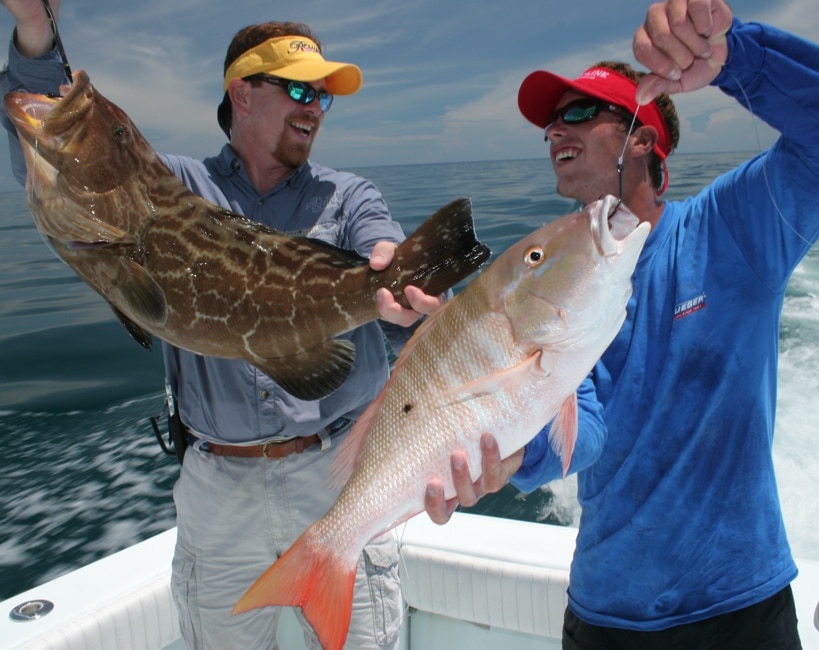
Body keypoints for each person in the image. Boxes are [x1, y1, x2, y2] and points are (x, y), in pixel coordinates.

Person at [1, 1, 444, 648]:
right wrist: (37, 32)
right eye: (299, 89)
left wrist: (406, 288)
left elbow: (388, 252)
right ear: (242, 92)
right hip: (217, 486)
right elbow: (49, 154)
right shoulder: (174, 183)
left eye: (323, 97)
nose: (314, 106)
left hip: (337, 474)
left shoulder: (348, 196)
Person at [425, 1, 817, 648]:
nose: (555, 131)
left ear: (641, 136)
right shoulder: (549, 289)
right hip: (603, 614)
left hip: (738, 608)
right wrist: (512, 453)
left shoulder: (730, 229)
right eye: (549, 124)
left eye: (578, 113)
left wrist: (733, 56)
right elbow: (585, 428)